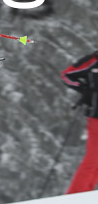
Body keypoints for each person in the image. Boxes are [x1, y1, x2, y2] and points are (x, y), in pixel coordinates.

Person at [61, 46, 98, 194]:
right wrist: (84, 89)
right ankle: (75, 196)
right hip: (96, 116)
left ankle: (86, 195)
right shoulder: (93, 61)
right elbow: (66, 75)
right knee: (93, 158)